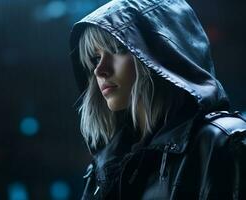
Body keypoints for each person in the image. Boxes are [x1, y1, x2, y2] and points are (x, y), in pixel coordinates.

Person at [69, 0, 246, 199]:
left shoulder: (225, 142)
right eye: (95, 58)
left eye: (118, 49)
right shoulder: (104, 166)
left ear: (160, 53)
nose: (99, 70)